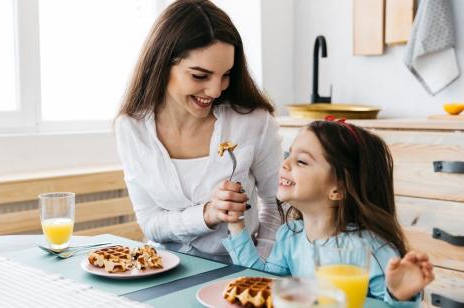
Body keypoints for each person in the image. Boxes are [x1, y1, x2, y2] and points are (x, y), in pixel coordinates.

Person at [115, 0, 282, 262]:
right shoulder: (131, 127)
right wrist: (206, 215)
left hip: (236, 273)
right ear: (162, 65)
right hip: (161, 269)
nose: (216, 90)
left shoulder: (253, 122)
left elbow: (276, 207)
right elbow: (150, 222)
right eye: (200, 76)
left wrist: (257, 269)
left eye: (226, 74)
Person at [222, 118, 434, 306]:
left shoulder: (368, 248)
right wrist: (236, 223)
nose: (284, 164)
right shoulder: (290, 235)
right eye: (288, 155)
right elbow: (266, 284)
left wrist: (399, 295)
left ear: (338, 189)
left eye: (301, 161)